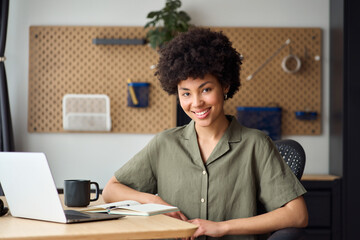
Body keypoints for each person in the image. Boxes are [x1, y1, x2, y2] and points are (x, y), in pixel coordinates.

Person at [102, 28, 308, 240]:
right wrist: (153, 201)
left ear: (225, 85)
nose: (196, 102)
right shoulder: (165, 143)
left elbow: (297, 215)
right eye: (186, 93)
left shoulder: (256, 144)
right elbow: (111, 190)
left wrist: (222, 228)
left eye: (206, 89)